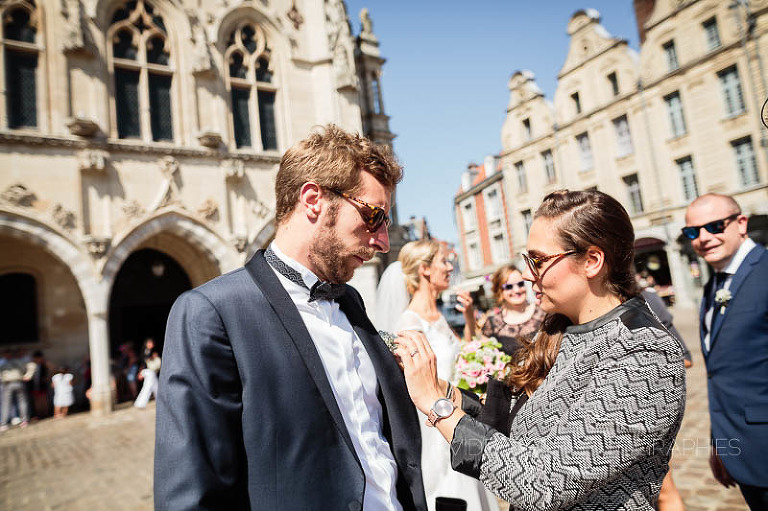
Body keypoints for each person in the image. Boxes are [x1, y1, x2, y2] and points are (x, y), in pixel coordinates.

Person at [155, 125, 427, 510]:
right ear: (313, 199)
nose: (382, 241)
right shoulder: (212, 313)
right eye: (373, 216)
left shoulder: (351, 301)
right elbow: (190, 492)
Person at [396, 190, 686, 510]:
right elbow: (508, 418)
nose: (524, 274)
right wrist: (440, 388)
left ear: (592, 261)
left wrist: (439, 409)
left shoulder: (642, 356)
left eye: (537, 260)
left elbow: (542, 485)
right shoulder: (561, 328)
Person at [391, 239, 497, 511]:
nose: (450, 267)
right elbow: (415, 380)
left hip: (459, 413)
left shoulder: (437, 316)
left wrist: (470, 320)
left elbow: (461, 356)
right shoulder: (410, 324)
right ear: (425, 269)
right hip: (437, 426)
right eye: (443, 261)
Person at [683, 193, 768, 510]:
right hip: (740, 448)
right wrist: (722, 443)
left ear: (741, 223)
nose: (704, 238)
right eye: (693, 232)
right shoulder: (713, 285)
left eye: (715, 226)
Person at [481, 264, 546, 357]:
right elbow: (483, 356)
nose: (517, 290)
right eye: (509, 287)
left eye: (520, 284)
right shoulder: (492, 324)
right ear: (500, 291)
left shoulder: (543, 312)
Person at [0, 348, 34, 431]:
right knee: (17, 402)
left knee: (10, 403)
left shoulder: (12, 362)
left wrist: (27, 376)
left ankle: (6, 423)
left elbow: (29, 367)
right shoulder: (9, 362)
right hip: (11, 383)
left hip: (14, 383)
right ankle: (20, 421)